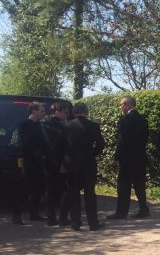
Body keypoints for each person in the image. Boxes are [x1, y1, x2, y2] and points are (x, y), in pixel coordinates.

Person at [63, 102, 105, 231]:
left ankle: (75, 222)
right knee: (90, 193)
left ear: (74, 112)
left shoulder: (67, 126)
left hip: (72, 164)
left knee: (73, 193)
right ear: (86, 112)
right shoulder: (94, 126)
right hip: (88, 163)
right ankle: (93, 223)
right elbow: (101, 144)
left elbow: (60, 145)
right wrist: (92, 154)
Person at [109, 95, 150, 219]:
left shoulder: (125, 119)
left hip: (127, 158)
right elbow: (145, 138)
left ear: (128, 105)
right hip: (140, 157)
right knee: (139, 185)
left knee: (123, 186)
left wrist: (116, 157)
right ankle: (144, 210)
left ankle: (121, 213)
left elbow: (122, 140)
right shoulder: (143, 119)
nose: (120, 107)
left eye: (122, 104)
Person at [12, 101, 47, 225]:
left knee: (39, 188)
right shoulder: (24, 125)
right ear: (34, 111)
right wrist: (36, 153)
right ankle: (16, 215)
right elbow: (26, 142)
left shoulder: (41, 125)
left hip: (40, 162)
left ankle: (34, 213)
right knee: (25, 189)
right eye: (42, 111)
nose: (44, 113)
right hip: (28, 161)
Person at [40, 101, 70, 226]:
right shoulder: (48, 125)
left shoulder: (48, 125)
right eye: (66, 112)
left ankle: (56, 217)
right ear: (57, 111)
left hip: (56, 160)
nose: (67, 115)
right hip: (55, 161)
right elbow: (51, 144)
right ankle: (55, 217)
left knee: (58, 189)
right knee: (57, 189)